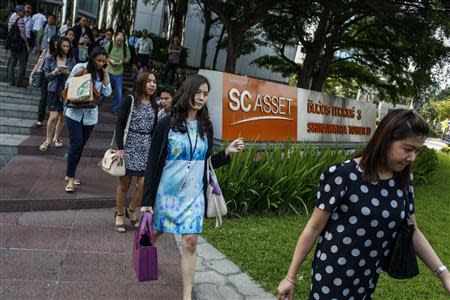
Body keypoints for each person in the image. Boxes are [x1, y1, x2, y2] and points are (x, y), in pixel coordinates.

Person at [277, 109, 450, 300]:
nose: (412, 158)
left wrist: (444, 274)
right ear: (384, 140)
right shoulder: (343, 175)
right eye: (407, 149)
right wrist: (290, 277)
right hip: (332, 276)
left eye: (417, 151)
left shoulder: (404, 180)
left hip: (367, 279)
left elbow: (413, 230)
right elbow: (314, 227)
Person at [140, 74, 245, 300]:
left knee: (190, 241)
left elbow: (205, 163)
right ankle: (145, 248)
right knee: (157, 229)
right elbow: (152, 163)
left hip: (194, 195)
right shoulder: (166, 123)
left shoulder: (206, 126)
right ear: (187, 91)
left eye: (205, 94)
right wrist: (146, 200)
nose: (201, 98)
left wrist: (226, 153)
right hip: (167, 194)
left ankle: (186, 296)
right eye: (198, 92)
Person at [112, 71, 158, 232]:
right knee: (125, 184)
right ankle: (119, 213)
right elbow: (119, 124)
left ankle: (131, 210)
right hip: (129, 144)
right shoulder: (130, 100)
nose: (152, 84)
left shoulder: (154, 104)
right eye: (149, 81)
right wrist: (121, 148)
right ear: (141, 83)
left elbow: (154, 129)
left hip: (146, 147)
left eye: (154, 81)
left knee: (143, 184)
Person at [64, 47, 112, 192]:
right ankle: (70, 178)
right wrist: (81, 81)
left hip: (90, 116)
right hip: (74, 113)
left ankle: (70, 173)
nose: (100, 63)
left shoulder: (101, 73)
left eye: (104, 61)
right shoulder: (81, 67)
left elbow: (108, 92)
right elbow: (68, 85)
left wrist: (105, 73)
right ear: (92, 58)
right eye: (98, 60)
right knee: (76, 145)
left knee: (79, 147)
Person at [39, 37, 76, 152]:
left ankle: (56, 137)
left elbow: (75, 75)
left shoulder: (71, 59)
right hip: (53, 90)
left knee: (62, 116)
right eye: (64, 46)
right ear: (59, 46)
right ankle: (47, 140)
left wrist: (68, 73)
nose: (65, 48)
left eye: (68, 46)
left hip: (66, 90)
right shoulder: (50, 59)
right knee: (53, 116)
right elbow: (46, 75)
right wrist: (54, 72)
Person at [30, 35, 58, 128]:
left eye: (57, 43)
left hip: (54, 78)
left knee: (52, 99)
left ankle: (52, 120)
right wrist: (32, 74)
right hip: (44, 77)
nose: (56, 45)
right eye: (55, 43)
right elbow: (39, 63)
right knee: (43, 98)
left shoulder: (60, 54)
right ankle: (39, 119)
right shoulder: (46, 51)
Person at [107, 30, 131, 114]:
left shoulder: (125, 47)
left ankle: (115, 109)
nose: (119, 42)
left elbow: (128, 59)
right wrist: (110, 60)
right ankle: (96, 104)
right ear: (115, 37)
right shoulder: (109, 44)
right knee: (103, 90)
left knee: (119, 93)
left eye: (121, 40)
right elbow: (103, 55)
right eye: (118, 40)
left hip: (119, 73)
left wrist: (122, 61)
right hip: (108, 71)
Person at [7, 5, 31, 87]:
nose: (24, 14)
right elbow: (23, 35)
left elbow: (9, 30)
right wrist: (27, 46)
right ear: (19, 11)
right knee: (22, 63)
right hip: (19, 45)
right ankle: (18, 82)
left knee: (12, 63)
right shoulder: (20, 20)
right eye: (23, 12)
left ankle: (11, 81)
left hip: (12, 44)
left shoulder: (12, 17)